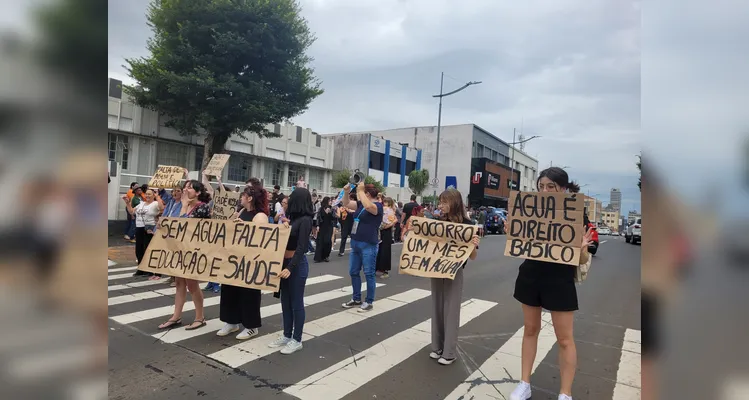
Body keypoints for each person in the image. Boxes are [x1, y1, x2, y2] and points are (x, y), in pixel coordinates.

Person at [509, 167, 595, 400]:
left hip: (559, 279)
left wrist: (582, 248)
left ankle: (565, 393)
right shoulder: (528, 209)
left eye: (550, 186)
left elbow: (583, 259)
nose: (544, 190)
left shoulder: (576, 213)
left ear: (563, 189)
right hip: (530, 275)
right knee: (530, 329)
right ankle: (524, 383)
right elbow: (520, 243)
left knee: (565, 339)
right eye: (541, 187)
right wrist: (513, 232)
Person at [426, 189, 480, 365]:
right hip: (436, 268)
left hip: (454, 270)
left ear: (454, 203)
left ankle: (449, 352)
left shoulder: (468, 223)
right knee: (436, 307)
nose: (440, 206)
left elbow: (472, 257)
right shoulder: (438, 222)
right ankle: (437, 347)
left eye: (444, 202)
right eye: (440, 202)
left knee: (451, 311)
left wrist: (473, 245)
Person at [157, 176, 212, 331]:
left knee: (192, 284)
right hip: (178, 250)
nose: (186, 189)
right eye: (185, 186)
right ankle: (176, 316)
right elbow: (173, 225)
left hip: (193, 251)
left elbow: (187, 227)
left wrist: (184, 207)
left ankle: (200, 317)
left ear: (198, 192)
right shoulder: (178, 205)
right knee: (179, 283)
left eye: (190, 187)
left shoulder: (203, 207)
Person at [216, 184, 269, 340]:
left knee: (249, 294)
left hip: (250, 261)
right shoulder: (241, 211)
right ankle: (231, 321)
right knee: (229, 290)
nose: (240, 198)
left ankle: (251, 325)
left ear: (249, 198)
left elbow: (261, 237)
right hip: (234, 258)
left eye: (242, 195)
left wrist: (244, 226)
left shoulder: (260, 216)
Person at [267, 187, 313, 355]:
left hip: (296, 265)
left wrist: (290, 267)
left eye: (292, 197)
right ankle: (287, 335)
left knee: (296, 303)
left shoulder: (306, 220)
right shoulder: (293, 219)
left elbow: (301, 248)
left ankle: (297, 339)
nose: (289, 200)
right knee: (285, 301)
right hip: (284, 263)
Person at [340, 182, 383, 312]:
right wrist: (346, 192)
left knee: (369, 273)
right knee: (353, 271)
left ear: (367, 194)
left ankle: (369, 301)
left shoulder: (377, 206)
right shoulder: (360, 205)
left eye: (364, 194)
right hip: (356, 243)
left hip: (368, 244)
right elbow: (346, 203)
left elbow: (369, 206)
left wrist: (360, 191)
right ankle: (356, 298)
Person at [127, 188, 164, 280]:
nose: (147, 196)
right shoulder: (141, 203)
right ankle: (141, 268)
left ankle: (149, 269)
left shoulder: (155, 203)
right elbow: (132, 211)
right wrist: (127, 203)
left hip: (149, 228)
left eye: (150, 194)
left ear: (153, 195)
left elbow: (162, 208)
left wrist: (157, 197)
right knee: (138, 249)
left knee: (147, 248)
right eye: (146, 194)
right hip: (139, 227)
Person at [376, 197, 397, 278]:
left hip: (386, 231)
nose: (385, 203)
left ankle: (385, 270)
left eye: (387, 202)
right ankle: (379, 268)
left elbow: (394, 220)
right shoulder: (384, 209)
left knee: (385, 250)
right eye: (384, 202)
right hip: (381, 230)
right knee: (379, 249)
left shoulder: (390, 210)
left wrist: (388, 225)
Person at [314, 196, 335, 262]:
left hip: (329, 227)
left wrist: (329, 213)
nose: (330, 202)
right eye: (329, 201)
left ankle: (326, 255)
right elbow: (318, 217)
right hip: (322, 226)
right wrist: (317, 225)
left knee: (327, 241)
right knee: (320, 242)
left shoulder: (332, 209)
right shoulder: (321, 209)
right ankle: (318, 257)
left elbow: (334, 217)